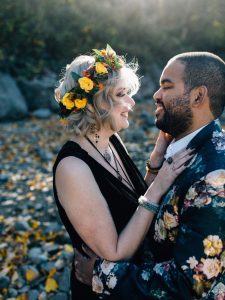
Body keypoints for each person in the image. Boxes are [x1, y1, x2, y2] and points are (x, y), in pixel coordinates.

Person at [74, 51, 225, 300]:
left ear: (198, 96)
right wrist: (154, 169)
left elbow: (188, 285)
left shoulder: (215, 178)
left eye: (166, 86)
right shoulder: (185, 149)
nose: (156, 96)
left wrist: (101, 274)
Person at [52, 45, 193, 299]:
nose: (132, 102)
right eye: (122, 94)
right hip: (102, 291)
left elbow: (134, 205)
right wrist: (160, 183)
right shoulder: (72, 168)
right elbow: (115, 253)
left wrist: (156, 158)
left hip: (132, 283)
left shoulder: (112, 140)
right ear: (95, 103)